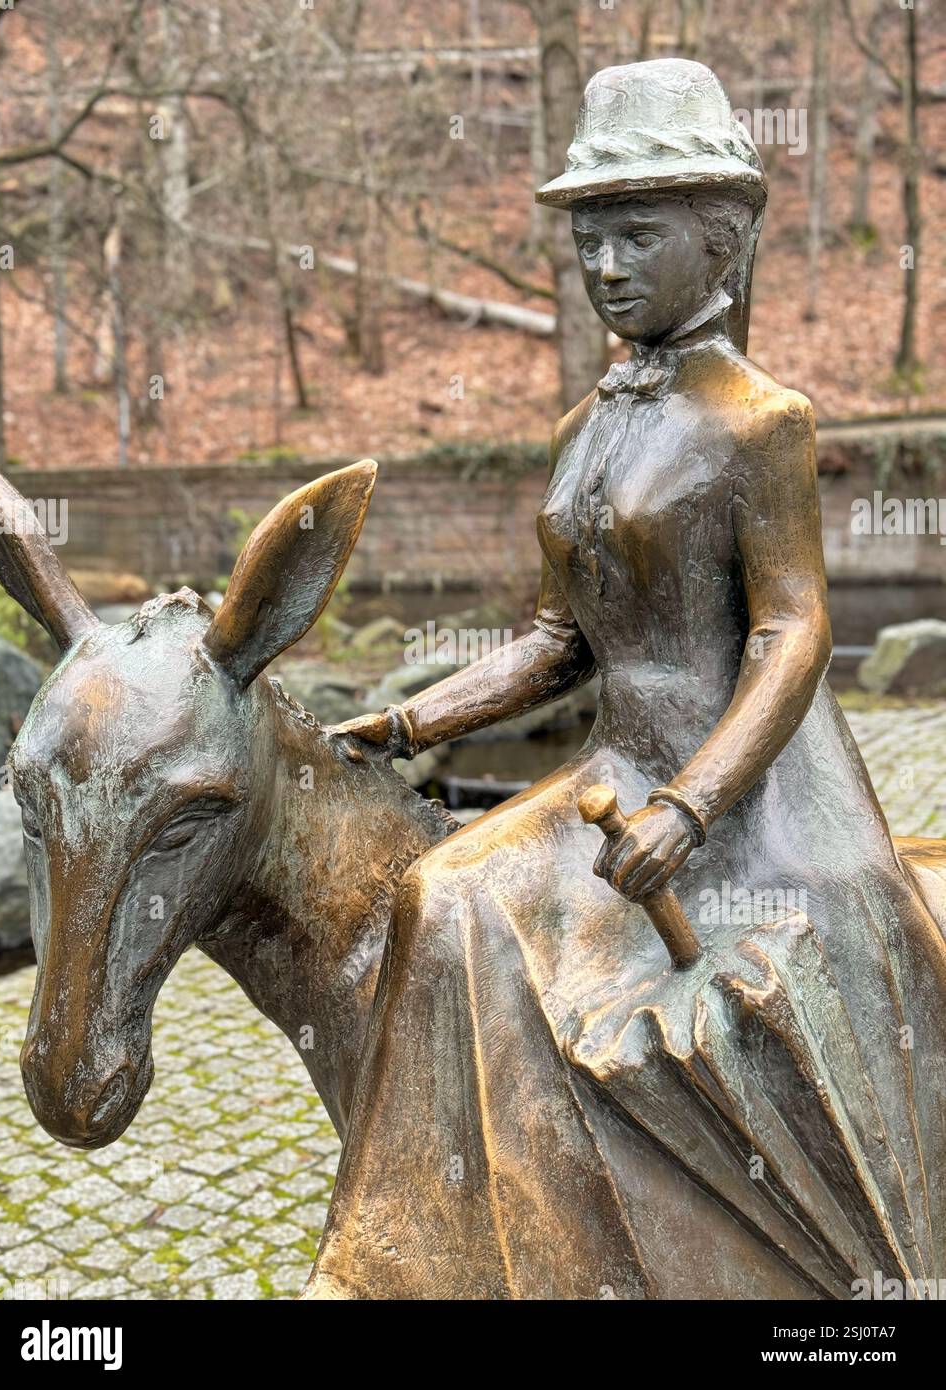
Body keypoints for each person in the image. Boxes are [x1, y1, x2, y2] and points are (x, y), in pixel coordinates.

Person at [304, 60, 946, 1300]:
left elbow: (794, 636)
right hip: (617, 768)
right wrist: (402, 720)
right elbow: (558, 640)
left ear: (719, 239)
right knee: (439, 896)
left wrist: (692, 804)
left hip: (757, 795)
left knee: (758, 1009)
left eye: (635, 235)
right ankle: (445, 1245)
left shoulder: (763, 421)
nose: (605, 265)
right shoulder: (582, 429)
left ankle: (838, 1265)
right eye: (590, 238)